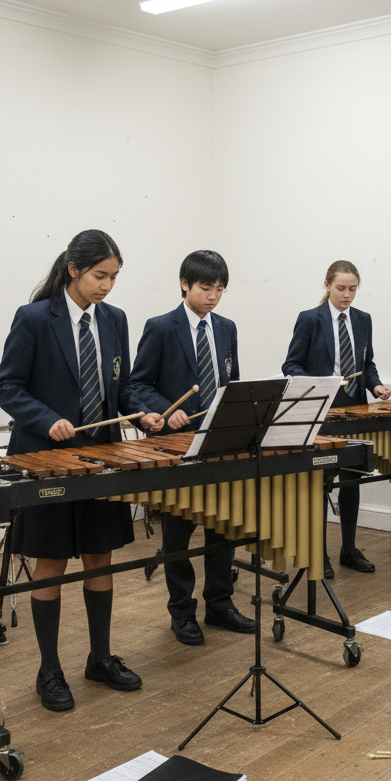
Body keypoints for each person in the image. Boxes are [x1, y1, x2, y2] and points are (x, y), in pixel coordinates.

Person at [0, 230, 163, 712]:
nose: (107, 286)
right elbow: (7, 386)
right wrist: (48, 420)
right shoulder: (34, 319)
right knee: (50, 563)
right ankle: (49, 669)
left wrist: (140, 410)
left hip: (101, 459)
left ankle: (101, 657)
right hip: (48, 460)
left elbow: (122, 385)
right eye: (99, 276)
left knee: (99, 557)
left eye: (113, 277)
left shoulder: (114, 320)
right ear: (73, 270)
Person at [129, 250, 255, 646]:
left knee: (223, 526)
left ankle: (220, 603)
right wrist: (165, 411)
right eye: (206, 288)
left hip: (218, 441)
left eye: (220, 289)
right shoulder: (161, 327)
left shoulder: (227, 328)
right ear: (184, 284)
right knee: (178, 535)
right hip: (175, 444)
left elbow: (231, 382)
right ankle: (181, 611)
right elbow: (136, 386)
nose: (214, 296)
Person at [283, 260, 391, 577]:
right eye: (341, 288)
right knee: (321, 483)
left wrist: (376, 385)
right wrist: (321, 385)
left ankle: (348, 548)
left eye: (353, 289)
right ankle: (319, 551)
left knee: (352, 481)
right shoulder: (309, 320)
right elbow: (291, 365)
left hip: (355, 409)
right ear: (327, 285)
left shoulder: (363, 320)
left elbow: (366, 363)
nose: (347, 295)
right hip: (322, 410)